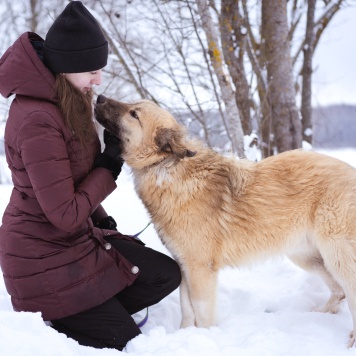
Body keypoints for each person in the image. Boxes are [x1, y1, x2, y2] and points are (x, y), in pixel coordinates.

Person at [0, 1, 181, 351]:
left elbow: (71, 178)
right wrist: (108, 166)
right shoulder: (38, 120)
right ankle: (56, 316)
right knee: (124, 340)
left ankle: (93, 306)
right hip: (41, 259)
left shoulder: (67, 96)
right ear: (67, 66)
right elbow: (64, 214)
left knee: (165, 275)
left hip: (75, 242)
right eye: (91, 71)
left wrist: (102, 218)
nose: (98, 79)